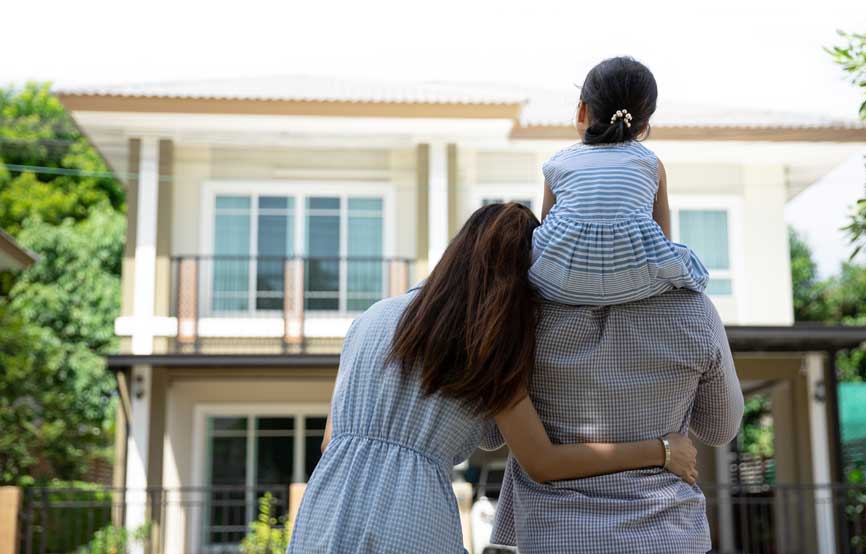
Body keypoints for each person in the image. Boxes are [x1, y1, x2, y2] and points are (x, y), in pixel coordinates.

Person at [287, 203, 699, 554]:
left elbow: (329, 442)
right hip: (411, 520)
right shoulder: (485, 342)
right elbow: (543, 462)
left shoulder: (371, 318)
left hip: (324, 512)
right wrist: (662, 451)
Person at [485, 60, 743, 553]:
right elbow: (720, 426)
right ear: (645, 125)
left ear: (582, 111)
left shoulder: (522, 319)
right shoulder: (694, 315)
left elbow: (491, 436)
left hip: (556, 538)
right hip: (666, 537)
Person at [530, 56, 709, 306]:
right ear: (644, 124)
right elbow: (663, 238)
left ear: (582, 111)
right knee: (690, 262)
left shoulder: (557, 163)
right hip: (636, 281)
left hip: (560, 283)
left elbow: (547, 230)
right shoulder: (651, 164)